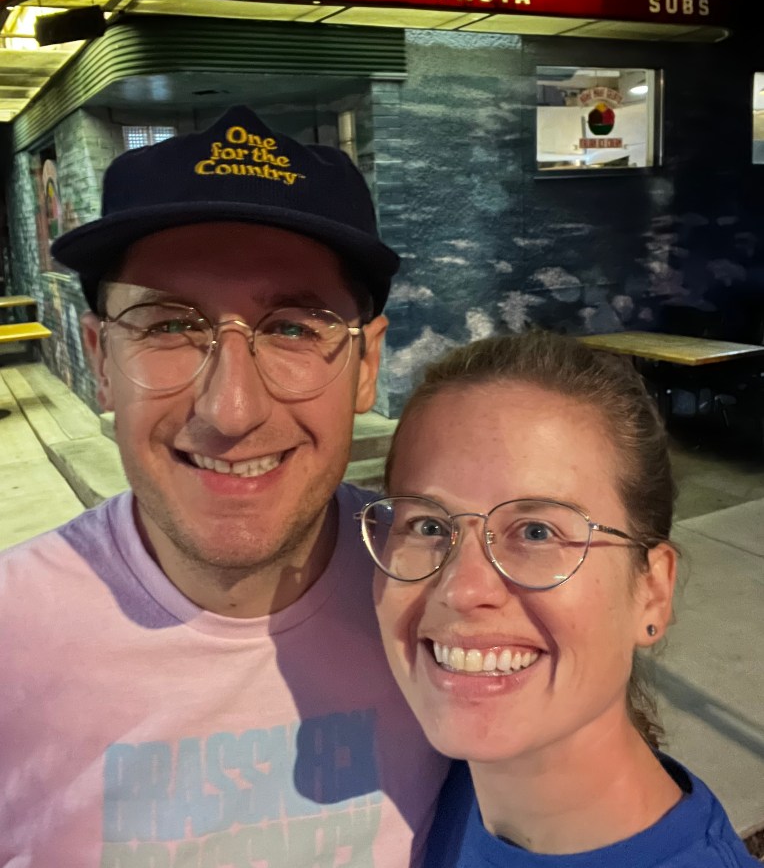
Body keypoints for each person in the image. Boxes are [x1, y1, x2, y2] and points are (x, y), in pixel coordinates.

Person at [0, 107, 448, 866]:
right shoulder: (13, 639)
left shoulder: (448, 600)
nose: (231, 410)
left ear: (367, 365)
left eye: (293, 327)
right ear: (101, 360)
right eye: (167, 326)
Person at [359, 331, 759, 867]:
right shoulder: (436, 789)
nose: (462, 588)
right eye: (428, 525)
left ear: (652, 591)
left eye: (537, 532)